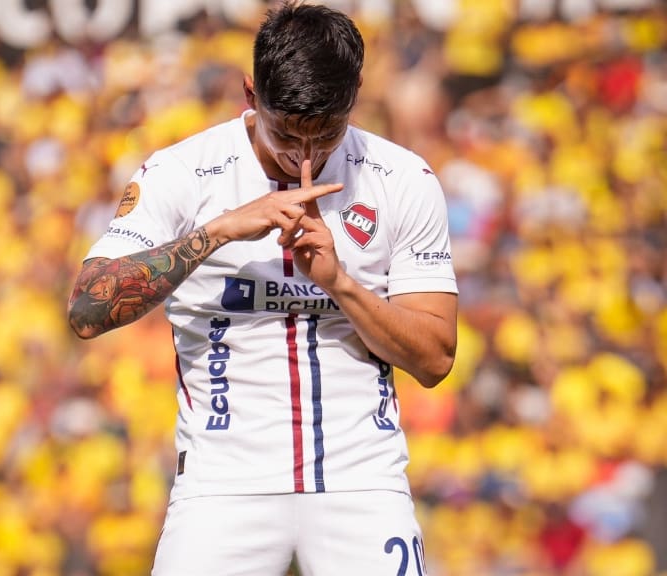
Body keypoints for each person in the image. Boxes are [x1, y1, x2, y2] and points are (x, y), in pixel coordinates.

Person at [67, 2, 458, 575]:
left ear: (356, 97)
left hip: (363, 483)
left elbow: (435, 358)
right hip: (223, 486)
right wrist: (219, 230)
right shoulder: (181, 173)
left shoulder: (404, 180)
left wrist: (341, 285)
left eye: (326, 135)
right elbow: (86, 308)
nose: (305, 157)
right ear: (251, 94)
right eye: (287, 136)